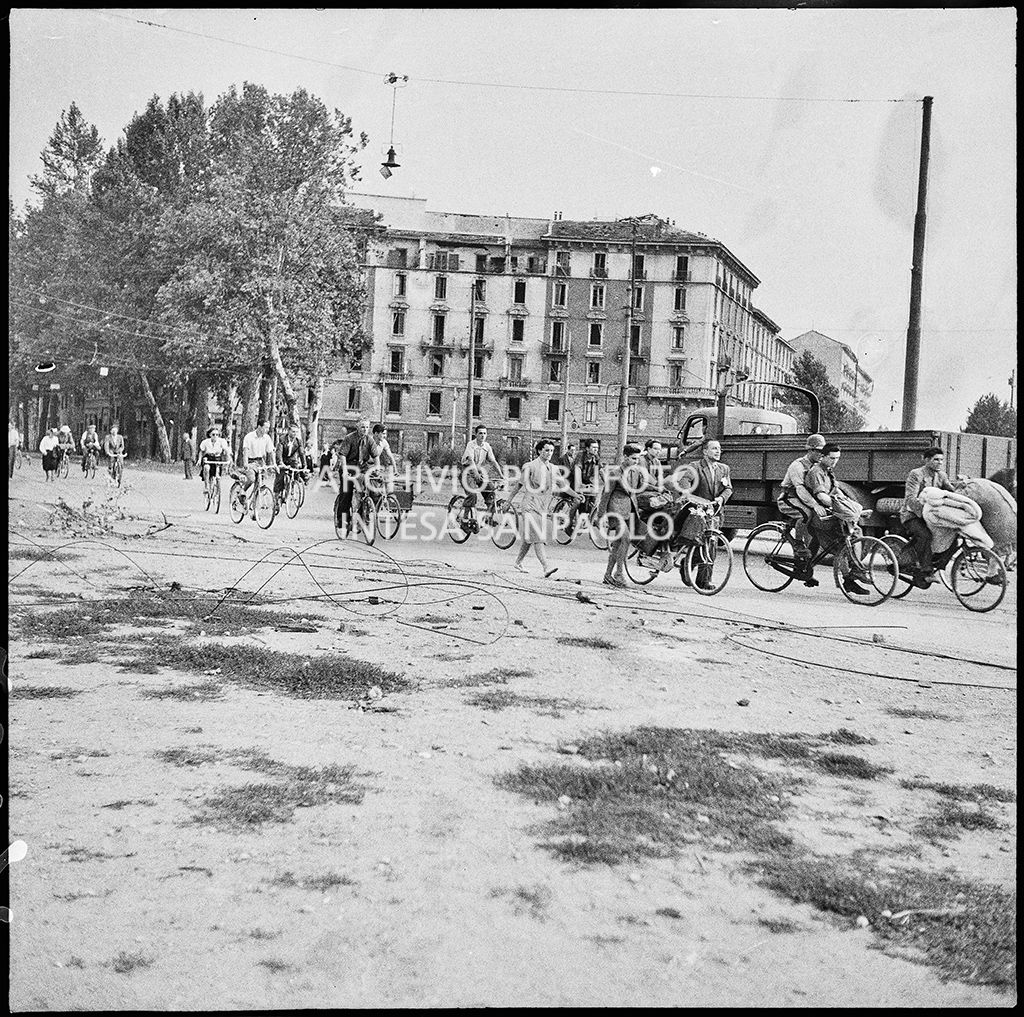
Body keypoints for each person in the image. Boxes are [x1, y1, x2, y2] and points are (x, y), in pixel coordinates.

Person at [667, 439, 734, 589]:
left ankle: (703, 580)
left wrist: (721, 498)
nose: (718, 451)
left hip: (715, 511)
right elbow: (685, 479)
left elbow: (728, 488)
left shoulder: (724, 469)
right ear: (705, 451)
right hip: (698, 511)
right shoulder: (695, 466)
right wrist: (687, 493)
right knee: (699, 542)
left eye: (719, 449)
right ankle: (688, 564)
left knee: (711, 545)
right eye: (714, 448)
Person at [806, 444, 870, 596]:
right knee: (842, 544)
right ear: (823, 456)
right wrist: (842, 509)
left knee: (855, 532)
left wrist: (855, 509)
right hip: (820, 518)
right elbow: (822, 497)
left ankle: (855, 570)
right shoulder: (816, 472)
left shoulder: (829, 472)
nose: (835, 461)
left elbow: (837, 492)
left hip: (831, 516)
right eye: (832, 458)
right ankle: (849, 580)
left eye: (837, 459)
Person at [900, 446, 956, 588]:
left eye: (941, 460)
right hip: (912, 515)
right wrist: (923, 513)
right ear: (926, 460)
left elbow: (952, 492)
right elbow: (910, 498)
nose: (939, 463)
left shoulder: (942, 476)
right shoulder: (916, 474)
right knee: (924, 535)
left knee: (953, 537)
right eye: (936, 460)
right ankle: (926, 571)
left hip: (932, 516)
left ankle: (936, 563)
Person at [504, 438, 559, 578]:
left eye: (551, 451)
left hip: (541, 507)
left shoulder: (552, 468)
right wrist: (508, 501)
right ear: (539, 451)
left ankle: (518, 562)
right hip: (529, 506)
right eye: (546, 450)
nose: (549, 453)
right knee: (538, 536)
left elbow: (558, 486)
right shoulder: (530, 466)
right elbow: (519, 485)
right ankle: (546, 566)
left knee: (530, 537)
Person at [777, 433, 827, 585]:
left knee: (819, 528)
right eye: (818, 451)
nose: (821, 454)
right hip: (789, 498)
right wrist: (815, 505)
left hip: (805, 499)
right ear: (810, 450)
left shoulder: (818, 467)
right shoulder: (797, 465)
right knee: (806, 515)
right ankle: (798, 542)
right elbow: (800, 490)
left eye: (822, 451)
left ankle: (804, 569)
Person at [600, 443, 648, 587]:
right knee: (626, 539)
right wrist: (601, 517)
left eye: (637, 459)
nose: (636, 462)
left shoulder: (635, 472)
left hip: (628, 510)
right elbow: (605, 495)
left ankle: (608, 575)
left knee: (617, 544)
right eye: (633, 459)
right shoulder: (615, 473)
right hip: (615, 511)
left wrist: (660, 488)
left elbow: (642, 487)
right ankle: (619, 573)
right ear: (625, 457)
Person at [335, 419, 373, 535]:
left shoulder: (369, 440)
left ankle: (364, 518)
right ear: (357, 427)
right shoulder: (350, 438)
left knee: (367, 492)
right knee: (346, 493)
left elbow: (375, 456)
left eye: (367, 427)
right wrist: (345, 471)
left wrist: (377, 469)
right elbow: (342, 455)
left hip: (362, 468)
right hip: (350, 466)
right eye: (362, 427)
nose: (365, 430)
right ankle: (342, 522)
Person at [461, 424, 502, 515]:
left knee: (491, 490)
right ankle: (465, 518)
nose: (482, 435)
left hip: (478, 473)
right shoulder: (471, 445)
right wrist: (476, 474)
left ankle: (489, 516)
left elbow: (493, 461)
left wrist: (501, 475)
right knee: (472, 494)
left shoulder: (486, 446)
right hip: (467, 473)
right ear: (476, 434)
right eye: (480, 433)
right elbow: (470, 461)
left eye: (484, 433)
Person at [241, 420, 276, 499]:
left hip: (260, 461)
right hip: (250, 461)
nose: (267, 429)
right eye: (266, 427)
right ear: (259, 427)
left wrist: (274, 464)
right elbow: (246, 450)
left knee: (261, 481)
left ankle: (254, 501)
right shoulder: (249, 437)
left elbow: (271, 451)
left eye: (268, 428)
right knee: (251, 479)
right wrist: (245, 463)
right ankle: (243, 490)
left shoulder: (267, 438)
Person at [197, 426, 231, 495]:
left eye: (217, 435)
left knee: (218, 470)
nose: (215, 436)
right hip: (209, 457)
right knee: (206, 468)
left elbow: (226, 450)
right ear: (210, 435)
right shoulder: (205, 442)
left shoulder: (222, 441)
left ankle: (217, 484)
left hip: (217, 458)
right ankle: (206, 487)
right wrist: (199, 459)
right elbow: (201, 451)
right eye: (213, 434)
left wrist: (229, 460)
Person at [275, 423, 307, 496]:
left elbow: (302, 453)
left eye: (296, 432)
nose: (295, 434)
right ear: (288, 431)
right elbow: (279, 452)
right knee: (280, 478)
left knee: (296, 472)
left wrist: (304, 465)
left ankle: (292, 486)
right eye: (293, 431)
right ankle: (276, 497)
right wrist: (280, 463)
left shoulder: (298, 441)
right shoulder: (282, 439)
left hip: (291, 459)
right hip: (283, 458)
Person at [368, 423, 397, 494]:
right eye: (383, 434)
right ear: (376, 433)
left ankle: (383, 499)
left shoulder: (384, 442)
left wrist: (395, 470)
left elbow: (390, 456)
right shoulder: (368, 441)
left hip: (376, 466)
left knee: (386, 479)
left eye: (385, 434)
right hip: (366, 465)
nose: (385, 436)